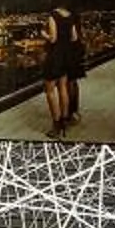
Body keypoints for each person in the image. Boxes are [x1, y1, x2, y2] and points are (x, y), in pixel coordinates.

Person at [45, 7, 85, 135]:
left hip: (55, 56)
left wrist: (43, 34)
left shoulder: (53, 15)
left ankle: (56, 126)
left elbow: (53, 38)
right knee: (63, 87)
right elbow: (74, 37)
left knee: (50, 90)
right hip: (66, 56)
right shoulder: (70, 15)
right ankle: (64, 121)